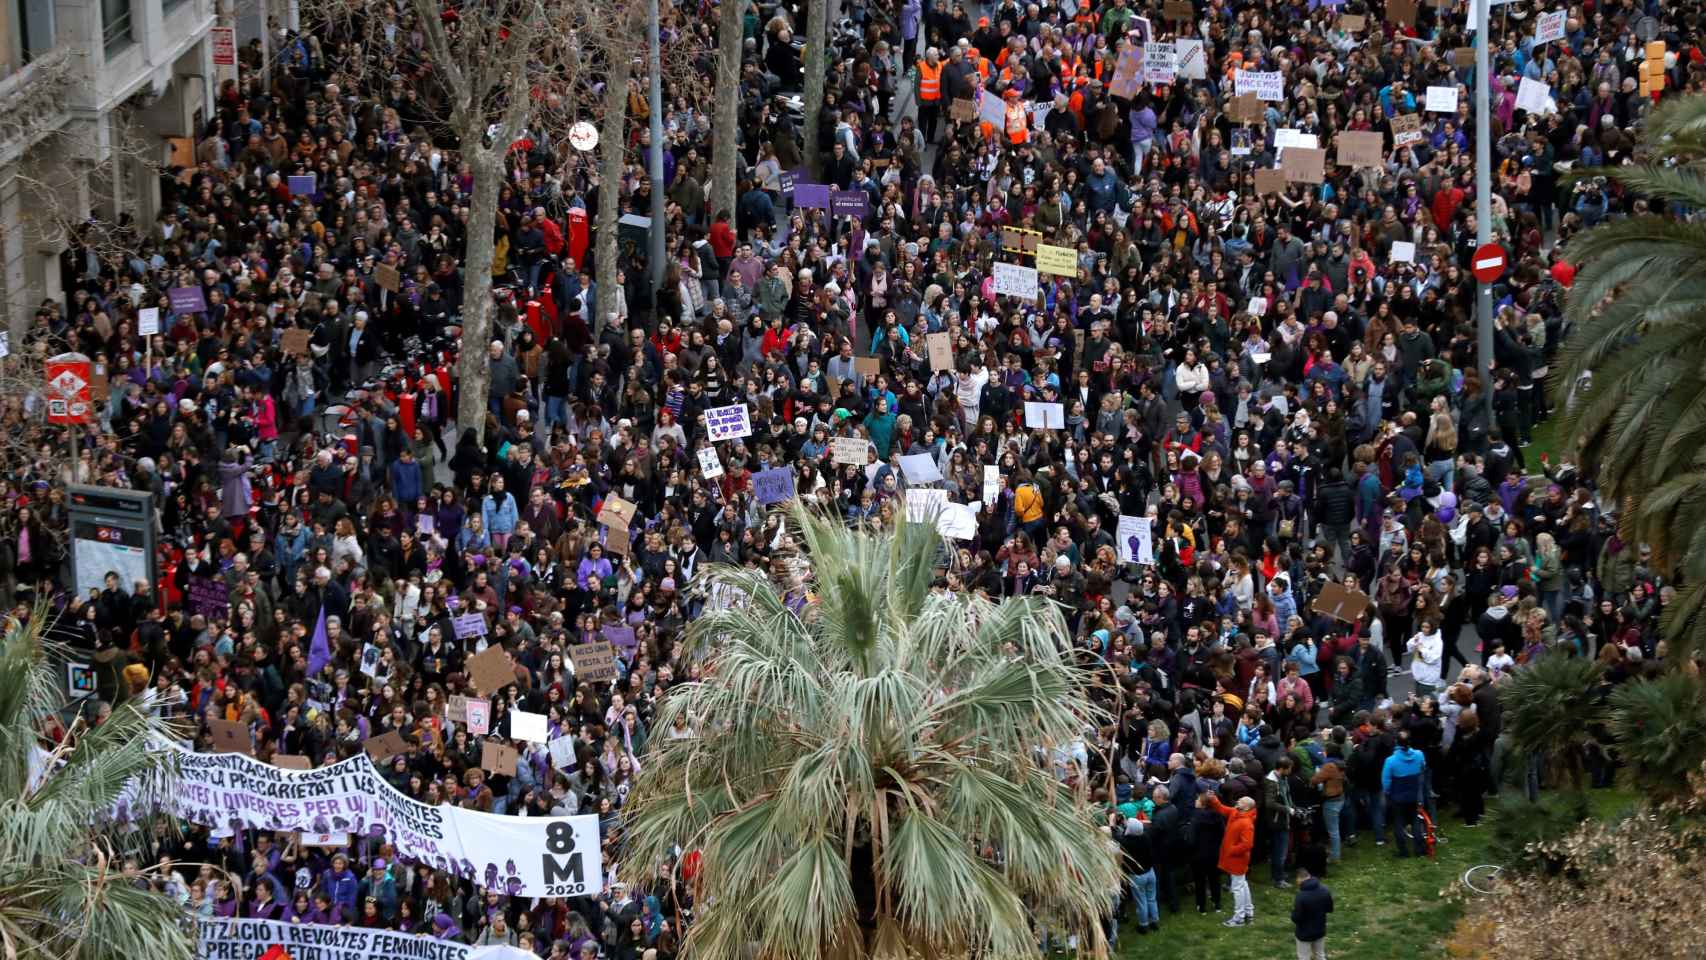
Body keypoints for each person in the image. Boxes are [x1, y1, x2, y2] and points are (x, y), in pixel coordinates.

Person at [1202, 792, 1258, 927]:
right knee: (1242, 884)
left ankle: (1238, 918)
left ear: (1246, 808)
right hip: (1236, 859)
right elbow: (1221, 808)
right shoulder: (1236, 813)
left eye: (1241, 801)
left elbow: (1247, 844)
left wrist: (1231, 850)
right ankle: (1248, 912)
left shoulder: (1246, 823)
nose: (1238, 801)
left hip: (1237, 859)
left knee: (1237, 888)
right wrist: (1213, 798)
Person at [1382, 731, 1429, 859]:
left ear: (1396, 743)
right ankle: (1419, 849)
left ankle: (1403, 851)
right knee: (1415, 821)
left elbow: (1386, 781)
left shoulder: (1390, 761)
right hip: (1413, 794)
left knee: (1398, 823)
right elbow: (1423, 767)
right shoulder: (1419, 755)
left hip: (1398, 797)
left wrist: (1387, 793)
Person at [1291, 855, 1335, 960]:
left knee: (1303, 957)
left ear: (1299, 879)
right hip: (1320, 930)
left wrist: (1293, 914)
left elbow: (1297, 918)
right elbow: (1330, 908)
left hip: (1304, 933)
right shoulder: (1325, 890)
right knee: (1320, 955)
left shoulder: (1301, 896)